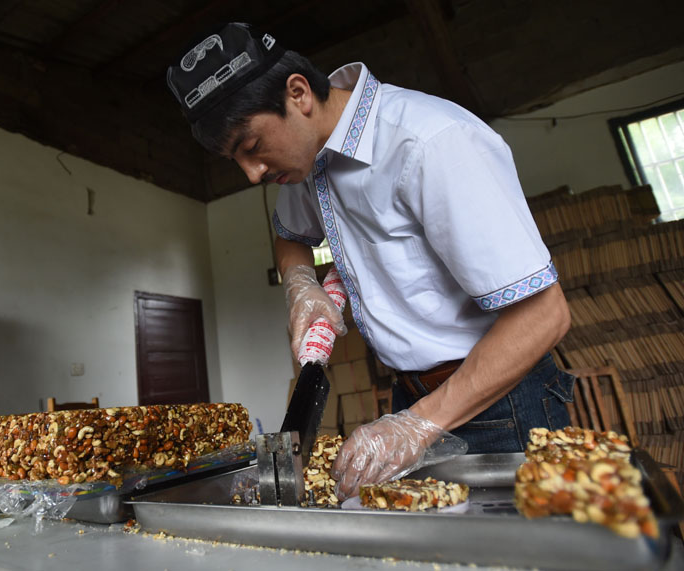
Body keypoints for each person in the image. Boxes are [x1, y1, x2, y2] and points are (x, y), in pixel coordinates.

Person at [167, 23, 574, 500]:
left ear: (298, 94)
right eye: (233, 159)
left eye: (252, 147)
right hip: (411, 397)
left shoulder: (431, 142)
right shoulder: (305, 160)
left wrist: (418, 425)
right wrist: (301, 284)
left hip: (504, 402)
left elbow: (546, 314)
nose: (252, 173)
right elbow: (288, 235)